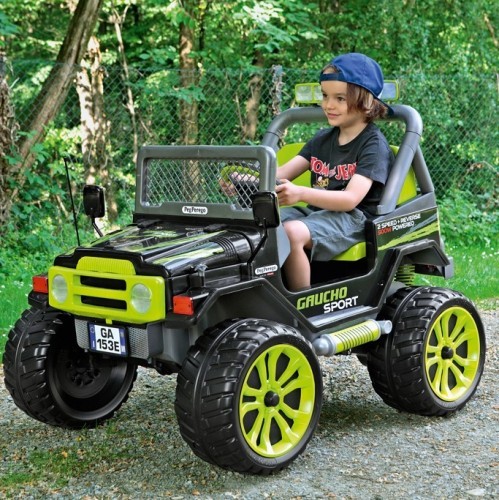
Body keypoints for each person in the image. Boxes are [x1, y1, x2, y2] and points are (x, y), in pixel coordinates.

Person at [275, 52, 394, 291]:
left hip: (355, 219)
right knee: (265, 224)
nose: (328, 105)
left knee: (291, 232)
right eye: (325, 96)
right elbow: (278, 175)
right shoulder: (322, 139)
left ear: (366, 101)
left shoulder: (373, 145)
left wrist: (300, 193)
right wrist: (245, 181)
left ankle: (302, 301)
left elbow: (350, 199)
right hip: (317, 213)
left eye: (340, 98)